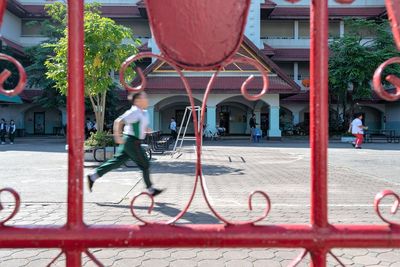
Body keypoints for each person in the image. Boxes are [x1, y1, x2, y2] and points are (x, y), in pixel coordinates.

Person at [87, 92, 163, 196]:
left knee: (116, 162)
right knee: (145, 164)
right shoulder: (134, 111)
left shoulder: (144, 112)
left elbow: (141, 125)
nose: (147, 99)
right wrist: (117, 137)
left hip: (131, 142)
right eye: (144, 97)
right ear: (137, 101)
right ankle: (150, 189)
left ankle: (93, 176)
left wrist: (146, 129)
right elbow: (118, 121)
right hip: (132, 141)